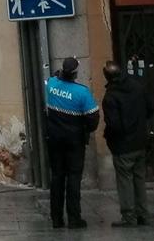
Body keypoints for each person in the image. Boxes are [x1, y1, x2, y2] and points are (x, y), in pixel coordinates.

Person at [44, 57, 99, 229]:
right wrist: (85, 130)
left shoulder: (51, 85)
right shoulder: (82, 93)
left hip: (54, 140)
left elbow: (53, 77)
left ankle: (56, 218)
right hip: (74, 142)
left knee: (57, 177)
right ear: (75, 73)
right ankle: (74, 218)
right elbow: (93, 119)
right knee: (74, 179)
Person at [102, 61, 154, 228]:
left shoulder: (111, 96)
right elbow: (151, 107)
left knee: (125, 181)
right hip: (140, 140)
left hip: (123, 144)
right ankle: (143, 214)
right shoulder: (137, 86)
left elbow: (113, 124)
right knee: (139, 179)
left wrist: (110, 137)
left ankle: (129, 216)